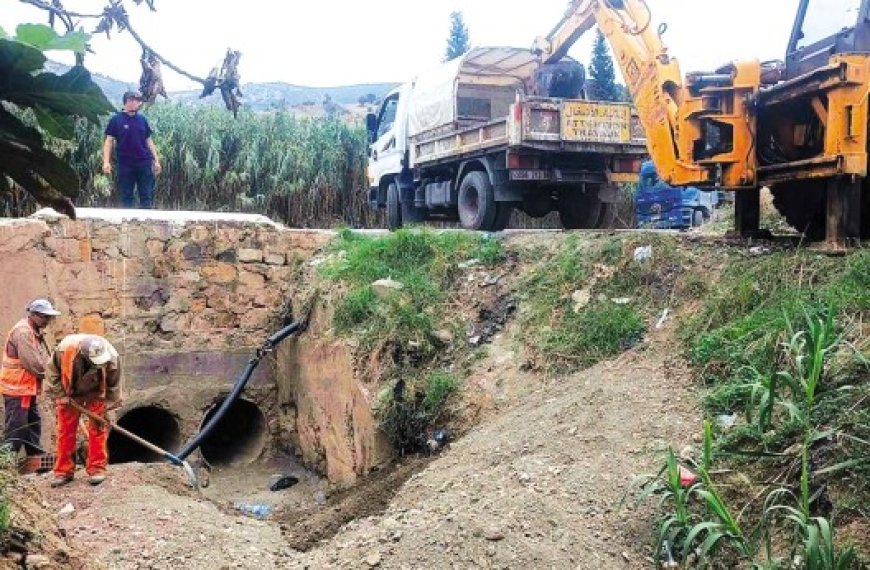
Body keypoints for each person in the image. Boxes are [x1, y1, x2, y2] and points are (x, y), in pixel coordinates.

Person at [44, 334, 123, 487]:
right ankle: (63, 471)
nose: (100, 365)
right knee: (65, 431)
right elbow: (51, 373)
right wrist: (61, 394)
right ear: (83, 355)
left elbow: (114, 387)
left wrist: (109, 410)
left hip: (96, 392)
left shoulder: (112, 357)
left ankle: (97, 469)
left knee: (98, 428)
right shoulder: (65, 349)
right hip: (69, 392)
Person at [0, 299, 61, 462]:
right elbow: (32, 363)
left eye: (49, 317)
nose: (47, 321)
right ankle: (5, 464)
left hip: (26, 388)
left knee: (33, 424)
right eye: (44, 317)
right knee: (17, 429)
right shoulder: (23, 332)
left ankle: (36, 459)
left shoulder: (33, 330)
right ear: (33, 315)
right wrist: (53, 377)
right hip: (17, 389)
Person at [102, 90, 162, 209]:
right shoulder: (116, 120)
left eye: (139, 101)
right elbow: (108, 141)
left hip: (144, 163)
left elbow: (149, 140)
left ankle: (146, 225)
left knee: (146, 196)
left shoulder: (142, 120)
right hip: (125, 164)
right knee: (126, 197)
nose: (138, 103)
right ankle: (127, 227)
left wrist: (156, 160)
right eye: (136, 100)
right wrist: (106, 162)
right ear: (128, 101)